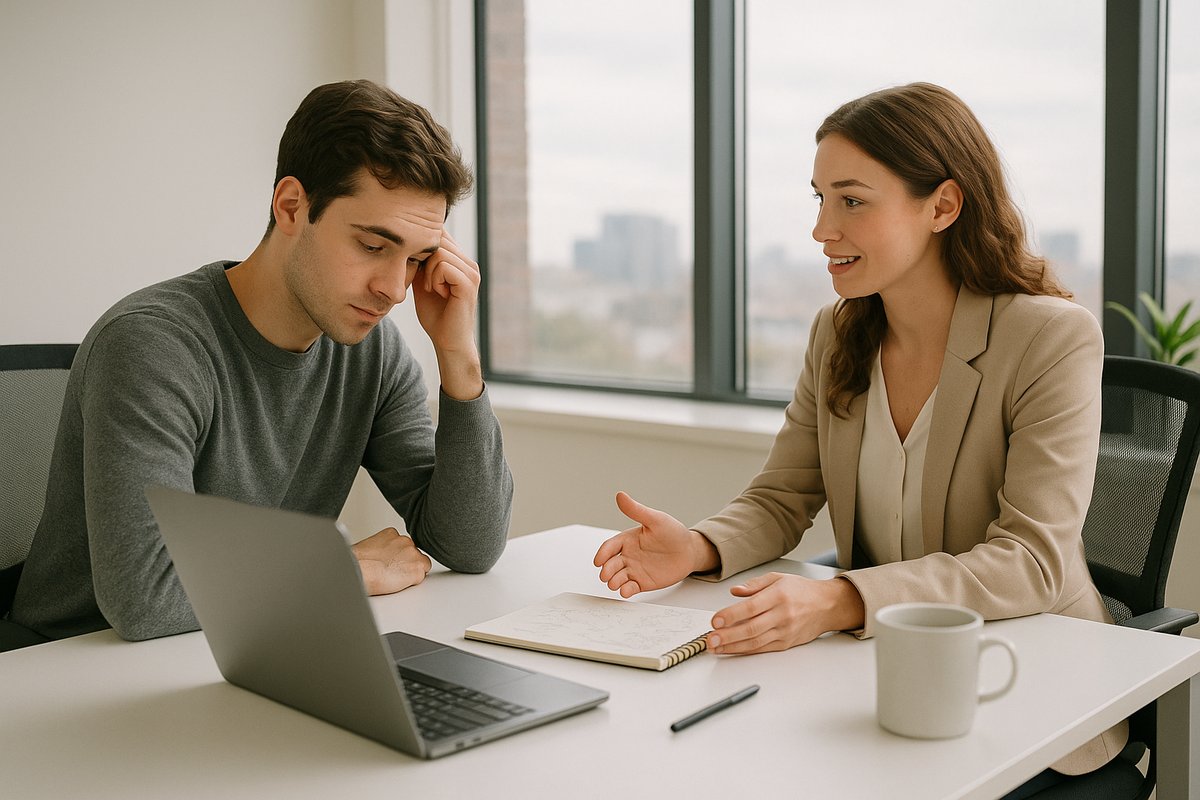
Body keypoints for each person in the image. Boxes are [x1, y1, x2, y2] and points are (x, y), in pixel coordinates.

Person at [593, 82, 1125, 781]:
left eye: (852, 200)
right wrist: (698, 546)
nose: (822, 230)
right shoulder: (839, 332)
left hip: (1029, 684)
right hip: (878, 676)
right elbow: (784, 496)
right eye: (819, 199)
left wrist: (842, 599)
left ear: (943, 205)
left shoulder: (1048, 338)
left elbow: (1032, 561)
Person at [10, 79, 513, 644]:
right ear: (292, 206)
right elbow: (144, 601)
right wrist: (341, 569)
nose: (395, 290)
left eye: (416, 259)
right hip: (70, 667)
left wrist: (459, 359)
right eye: (373, 247)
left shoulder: (371, 352)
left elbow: (469, 545)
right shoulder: (153, 346)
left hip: (247, 644)